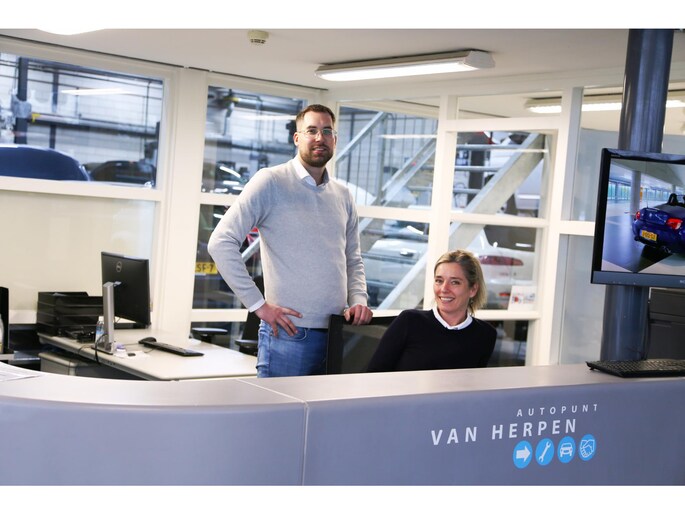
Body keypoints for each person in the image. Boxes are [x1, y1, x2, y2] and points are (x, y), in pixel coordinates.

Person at [208, 104, 373, 377]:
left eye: (327, 131)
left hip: (339, 333)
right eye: (311, 131)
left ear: (335, 139)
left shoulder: (342, 195)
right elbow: (220, 242)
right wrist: (258, 306)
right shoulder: (271, 181)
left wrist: (358, 299)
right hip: (289, 335)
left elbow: (352, 259)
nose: (320, 138)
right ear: (297, 138)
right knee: (278, 408)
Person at [367, 249, 496, 372]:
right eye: (439, 281)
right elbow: (373, 375)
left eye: (455, 282)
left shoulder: (486, 335)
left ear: (473, 289)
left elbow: (476, 385)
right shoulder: (409, 321)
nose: (444, 289)